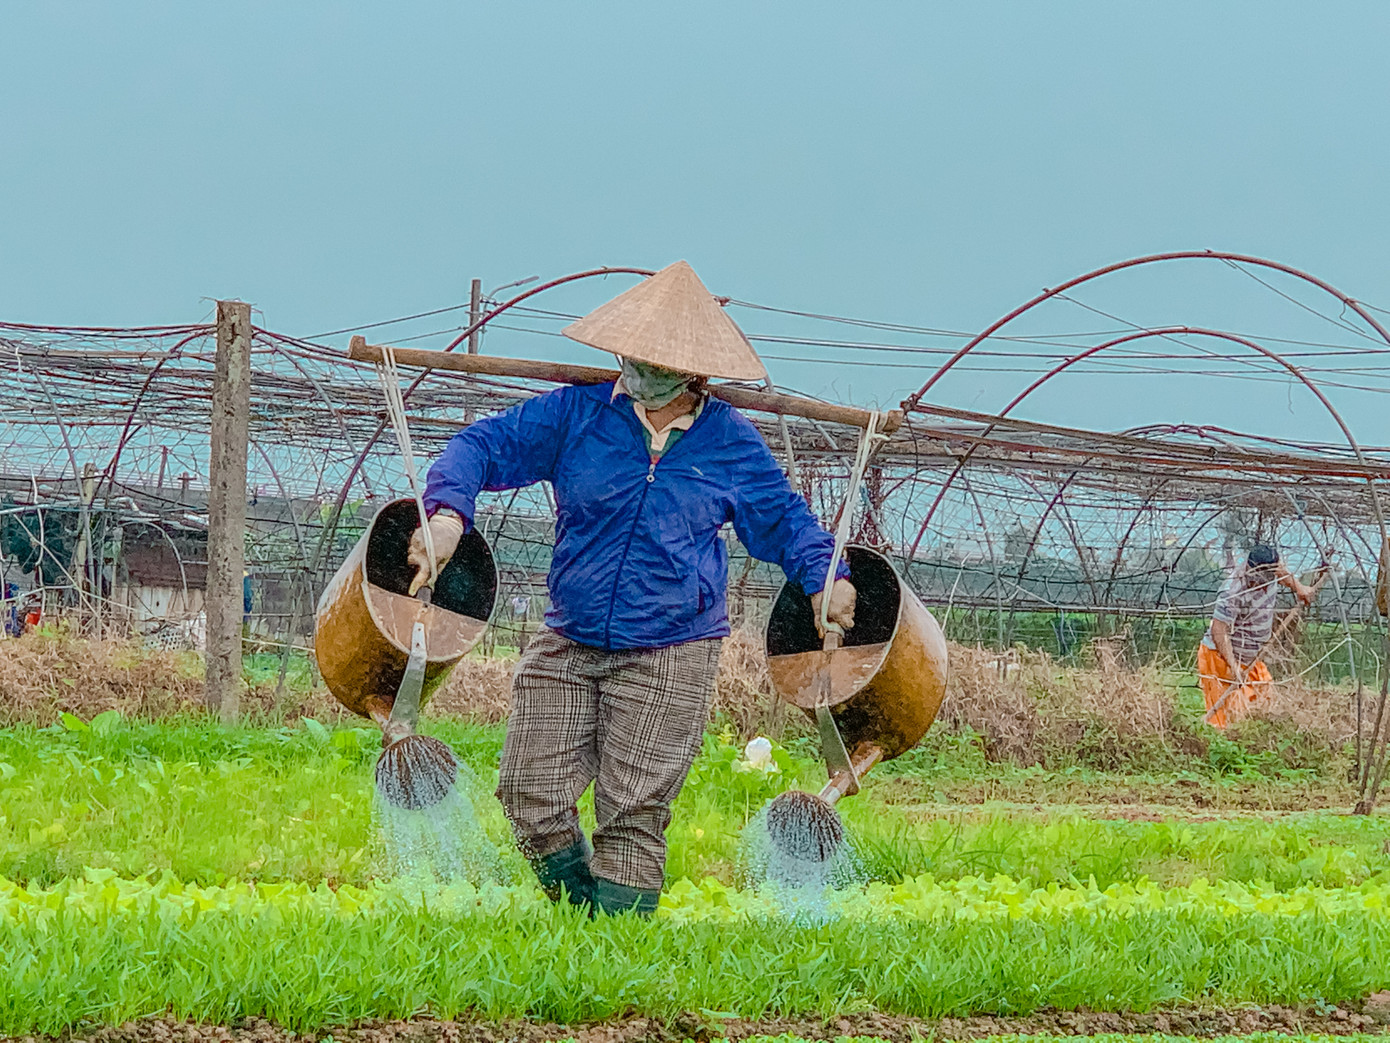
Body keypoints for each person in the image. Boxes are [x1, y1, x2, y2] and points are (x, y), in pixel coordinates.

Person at [408, 261, 857, 915]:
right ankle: (590, 920)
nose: (637, 366)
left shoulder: (729, 442)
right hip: (570, 633)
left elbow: (786, 522)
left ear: (693, 371)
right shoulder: (576, 415)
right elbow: (481, 445)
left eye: (654, 358)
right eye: (631, 353)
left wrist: (825, 579)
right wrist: (448, 514)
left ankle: (613, 955)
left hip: (671, 647)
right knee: (529, 791)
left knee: (632, 811)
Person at [1197, 543, 1314, 729]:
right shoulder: (1233, 590)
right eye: (1255, 573)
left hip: (1251, 658)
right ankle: (1220, 748)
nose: (1258, 579)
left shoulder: (1271, 573)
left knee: (1265, 705)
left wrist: (1299, 588)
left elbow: (1281, 573)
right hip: (1220, 658)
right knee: (1229, 717)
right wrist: (1233, 667)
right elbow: (1219, 631)